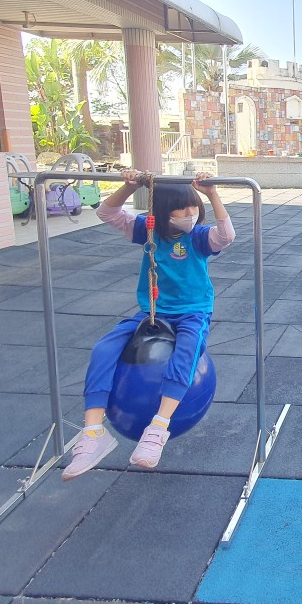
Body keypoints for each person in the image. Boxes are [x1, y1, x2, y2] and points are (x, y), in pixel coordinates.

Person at [62, 169, 235, 480]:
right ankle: (93, 431)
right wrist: (129, 188)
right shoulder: (148, 229)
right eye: (181, 208)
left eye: (193, 206)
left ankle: (158, 427)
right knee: (104, 348)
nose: (190, 213)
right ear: (163, 211)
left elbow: (226, 236)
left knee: (186, 352)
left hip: (192, 313)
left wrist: (211, 194)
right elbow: (107, 213)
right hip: (153, 313)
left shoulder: (198, 237)